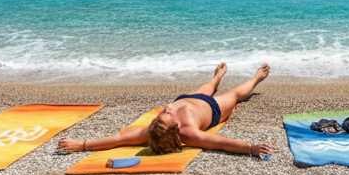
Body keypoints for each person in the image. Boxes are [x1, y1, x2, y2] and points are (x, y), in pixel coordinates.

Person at [57, 63, 274, 157]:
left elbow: (117, 140)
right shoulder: (189, 133)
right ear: (177, 127)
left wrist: (83, 144)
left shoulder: (154, 129)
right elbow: (221, 143)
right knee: (235, 95)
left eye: (163, 112)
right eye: (167, 114)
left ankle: (216, 78)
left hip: (189, 98)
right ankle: (257, 78)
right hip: (212, 109)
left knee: (204, 89)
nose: (166, 109)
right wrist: (250, 148)